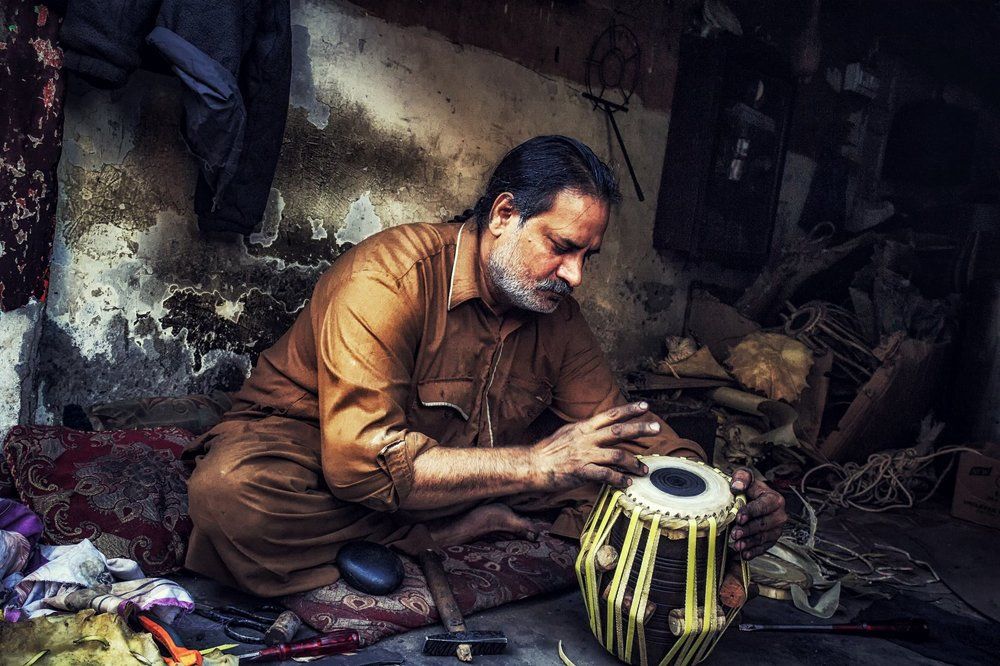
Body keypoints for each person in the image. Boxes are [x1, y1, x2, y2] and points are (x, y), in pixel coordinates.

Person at [184, 135, 786, 597]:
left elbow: (625, 433)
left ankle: (449, 514)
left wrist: (719, 496)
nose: (575, 275)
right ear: (503, 214)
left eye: (588, 256)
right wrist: (532, 466)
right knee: (229, 499)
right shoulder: (389, 279)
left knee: (609, 494)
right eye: (561, 247)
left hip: (447, 473)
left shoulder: (558, 317)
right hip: (313, 453)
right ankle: (438, 532)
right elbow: (359, 468)